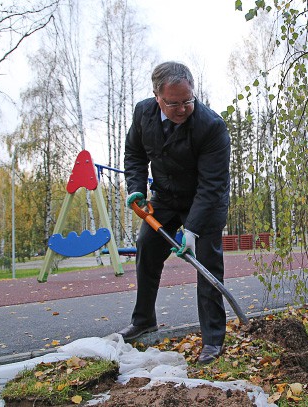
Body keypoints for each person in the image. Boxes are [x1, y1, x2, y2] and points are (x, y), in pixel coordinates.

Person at [119, 61, 231, 364]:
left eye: (188, 101)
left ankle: (213, 339)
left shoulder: (211, 126)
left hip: (205, 200)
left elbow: (212, 185)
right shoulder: (144, 114)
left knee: (207, 263)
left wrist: (191, 230)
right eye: (174, 103)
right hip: (166, 197)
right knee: (147, 247)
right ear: (157, 97)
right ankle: (144, 320)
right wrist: (135, 188)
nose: (182, 109)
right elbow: (134, 153)